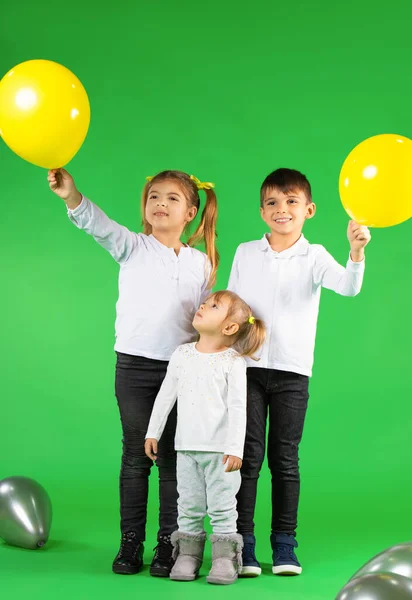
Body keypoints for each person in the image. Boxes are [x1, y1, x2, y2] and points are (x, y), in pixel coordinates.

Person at [48, 168, 219, 576]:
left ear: (190, 212)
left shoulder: (201, 264)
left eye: (172, 198)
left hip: (181, 372)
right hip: (135, 368)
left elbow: (207, 322)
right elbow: (98, 225)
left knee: (173, 460)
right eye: (153, 197)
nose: (160, 204)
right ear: (145, 208)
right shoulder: (133, 247)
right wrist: (72, 196)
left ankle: (168, 543)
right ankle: (130, 543)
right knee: (136, 455)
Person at [228, 168, 371, 577]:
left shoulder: (316, 256)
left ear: (308, 209)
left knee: (285, 459)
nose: (282, 209)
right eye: (272, 202)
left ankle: (285, 544)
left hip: (292, 373)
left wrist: (356, 252)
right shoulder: (245, 253)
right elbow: (234, 309)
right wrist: (225, 356)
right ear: (261, 211)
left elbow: (349, 286)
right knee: (248, 458)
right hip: (248, 370)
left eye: (291, 202)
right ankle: (244, 544)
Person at [145, 290, 266, 585]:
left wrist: (235, 448)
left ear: (229, 327)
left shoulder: (233, 362)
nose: (203, 305)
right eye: (206, 302)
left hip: (221, 452)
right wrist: (153, 432)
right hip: (186, 448)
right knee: (188, 504)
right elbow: (166, 395)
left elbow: (239, 408)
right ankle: (188, 556)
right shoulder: (182, 355)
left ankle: (225, 559)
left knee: (223, 506)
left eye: (214, 306)